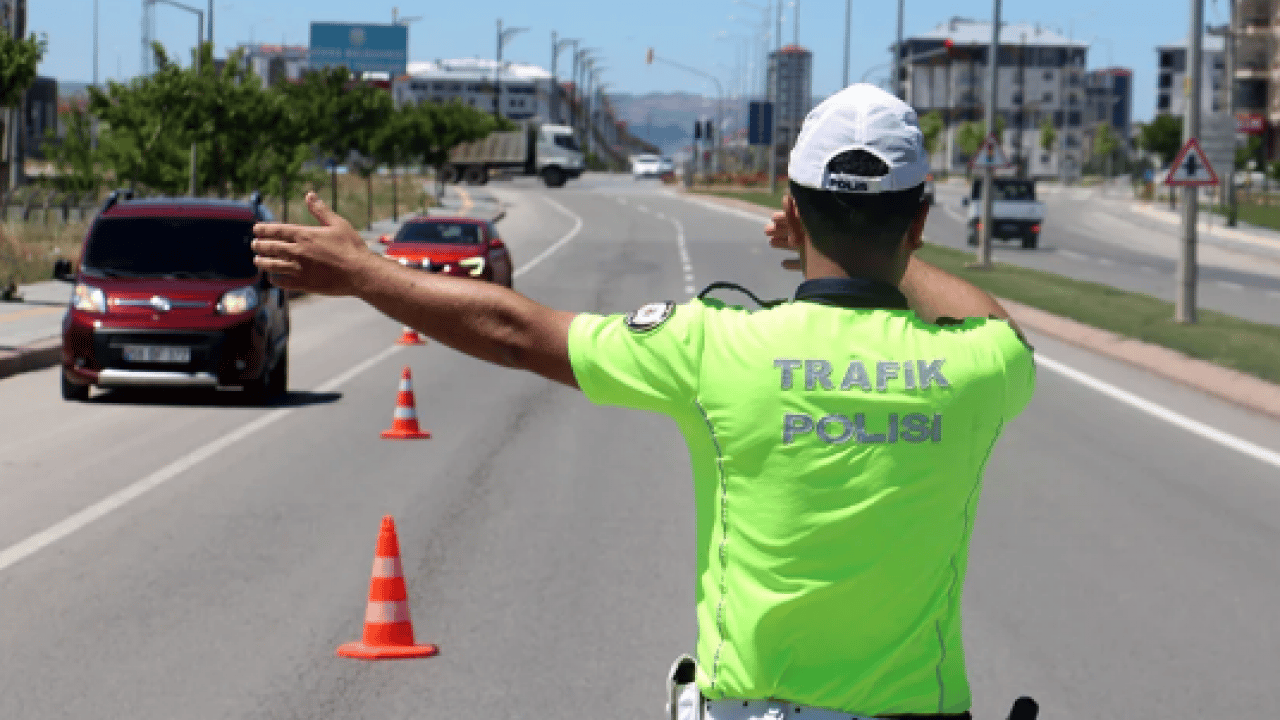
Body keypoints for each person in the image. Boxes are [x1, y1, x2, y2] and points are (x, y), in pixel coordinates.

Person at [251, 83, 1035, 720]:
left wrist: (366, 273)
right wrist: (890, 256)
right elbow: (999, 326)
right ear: (919, 222)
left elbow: (516, 332)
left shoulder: (715, 346)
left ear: (792, 211)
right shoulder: (977, 367)